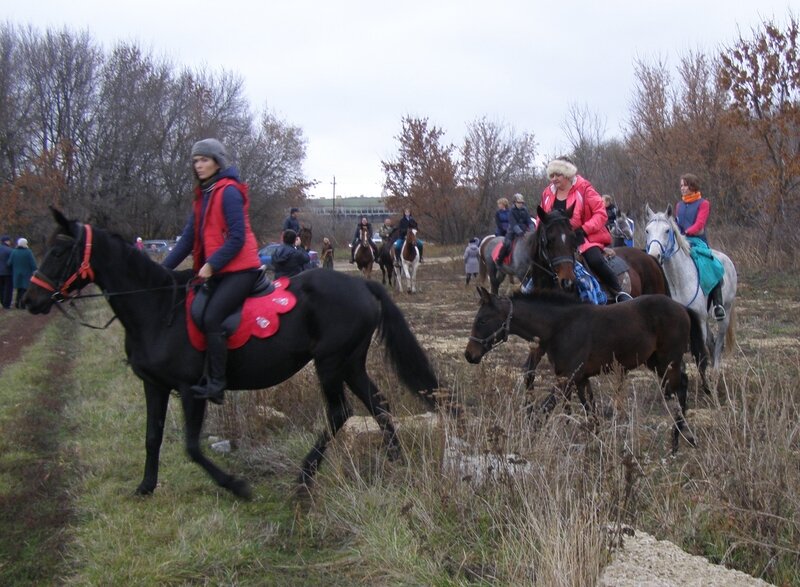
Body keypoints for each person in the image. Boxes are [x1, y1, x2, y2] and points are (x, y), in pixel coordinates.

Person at [162, 138, 262, 404]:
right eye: (195, 161)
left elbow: (237, 237)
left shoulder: (229, 191)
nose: (199, 165)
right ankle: (200, 372)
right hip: (220, 272)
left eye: (204, 159)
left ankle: (217, 384)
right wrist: (160, 271)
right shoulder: (204, 195)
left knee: (212, 316)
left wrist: (210, 265)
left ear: (218, 161)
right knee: (194, 311)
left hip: (242, 270)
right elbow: (186, 241)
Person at [541, 156, 632, 302]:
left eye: (558, 174)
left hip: (583, 237)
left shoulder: (584, 189)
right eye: (552, 175)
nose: (554, 179)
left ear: (568, 173)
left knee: (595, 260)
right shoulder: (547, 193)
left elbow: (601, 213)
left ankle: (619, 294)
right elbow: (542, 218)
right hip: (556, 240)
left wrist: (584, 229)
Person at [676, 173, 725, 320]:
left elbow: (699, 224)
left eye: (685, 185)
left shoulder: (703, 203)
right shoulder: (679, 205)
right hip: (682, 240)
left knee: (712, 265)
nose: (683, 188)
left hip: (697, 241)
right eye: (681, 186)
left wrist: (685, 232)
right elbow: (677, 223)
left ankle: (718, 305)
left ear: (692, 186)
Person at [497, 193, 533, 263]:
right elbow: (513, 224)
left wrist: (533, 230)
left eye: (522, 203)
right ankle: (500, 260)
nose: (520, 204)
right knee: (507, 244)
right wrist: (519, 232)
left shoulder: (525, 210)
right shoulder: (511, 211)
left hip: (524, 231)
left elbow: (529, 221)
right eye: (519, 203)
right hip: (513, 232)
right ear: (515, 203)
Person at [7, 237, 37, 309]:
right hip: (27, 274)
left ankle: (17, 303)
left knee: (19, 289)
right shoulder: (28, 252)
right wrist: (35, 270)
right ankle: (23, 304)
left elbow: (9, 263)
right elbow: (33, 264)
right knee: (25, 289)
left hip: (16, 274)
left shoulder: (14, 252)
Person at [0, 235, 13, 309]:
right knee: (8, 289)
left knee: (1, 288)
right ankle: (7, 304)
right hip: (8, 272)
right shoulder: (10, 250)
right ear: (7, 241)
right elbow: (12, 262)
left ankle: (2, 302)